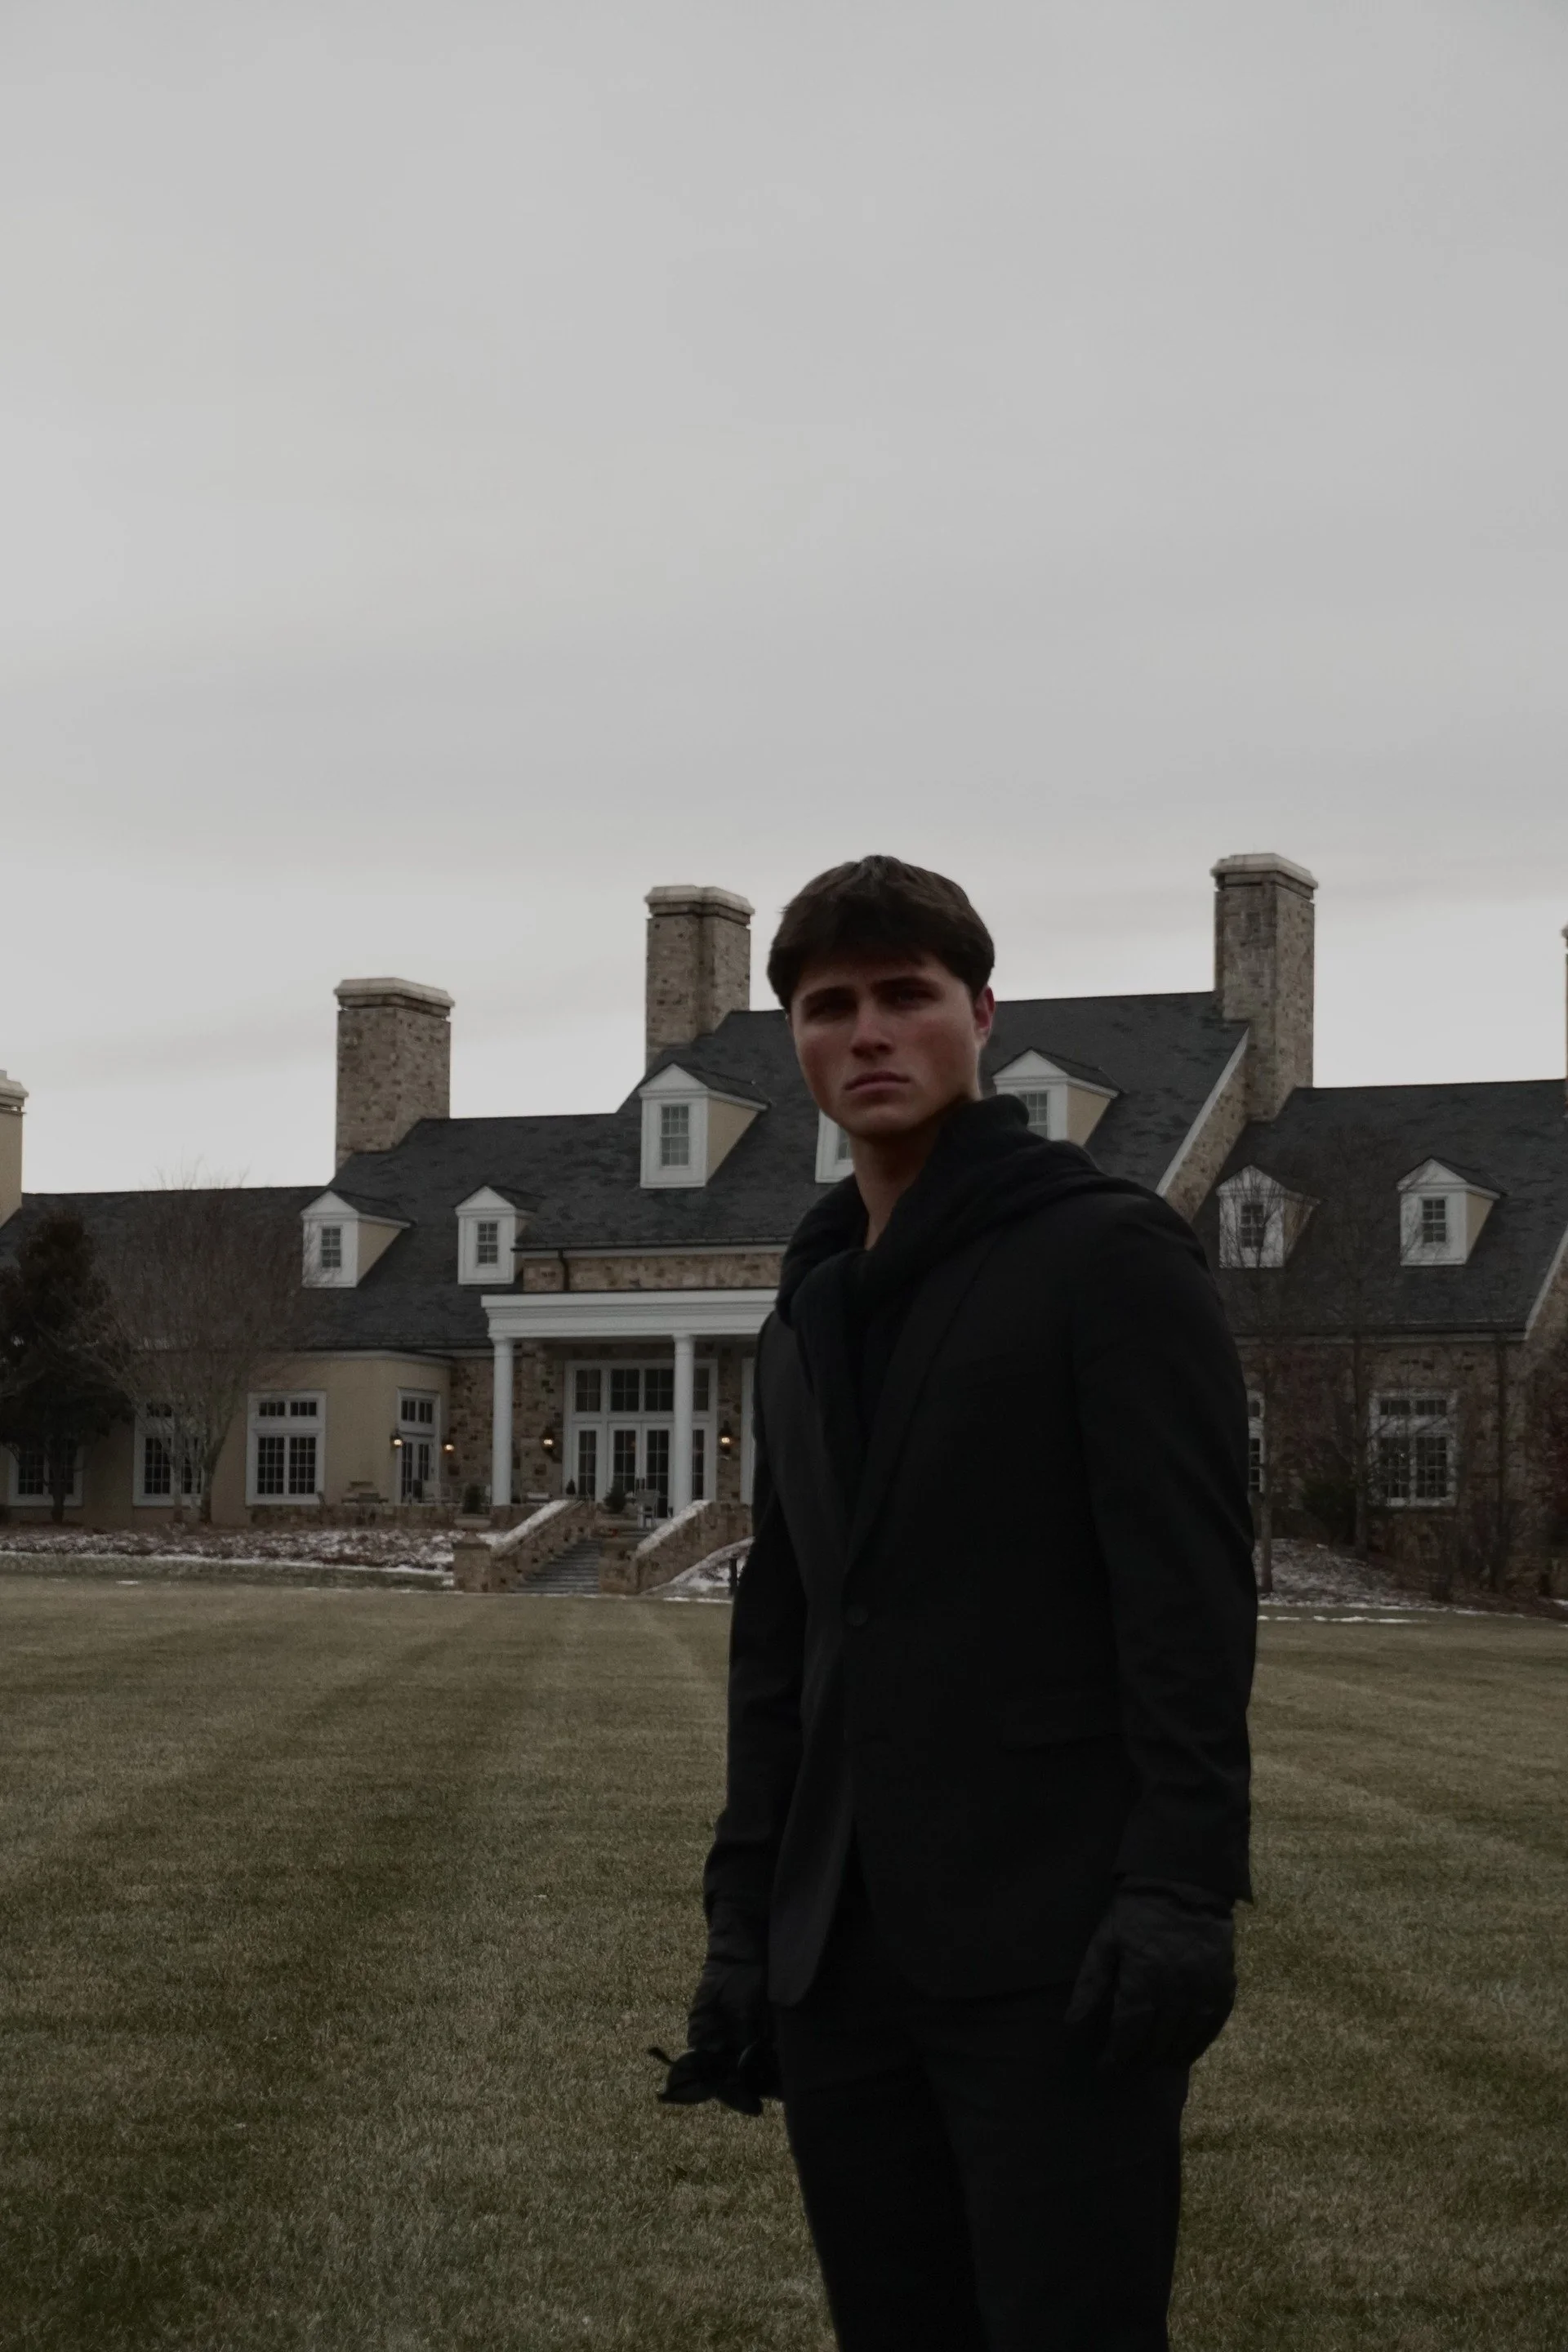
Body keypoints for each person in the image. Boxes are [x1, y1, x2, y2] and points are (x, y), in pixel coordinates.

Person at [657, 857, 1256, 2352]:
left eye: (904, 997)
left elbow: (1187, 1604)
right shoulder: (807, 1301)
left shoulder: (1107, 1256)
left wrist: (1179, 1888)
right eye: (828, 1006)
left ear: (981, 1015)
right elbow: (783, 1640)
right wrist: (747, 1926)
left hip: (1055, 1951)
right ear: (793, 1039)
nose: (866, 1033)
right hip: (840, 1960)